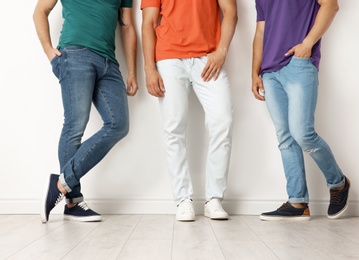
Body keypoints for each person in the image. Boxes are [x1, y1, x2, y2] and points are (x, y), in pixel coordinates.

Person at [33, 0, 138, 223]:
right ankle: (73, 201)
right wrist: (50, 53)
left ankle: (60, 184)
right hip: (75, 53)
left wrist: (132, 72)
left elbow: (127, 25)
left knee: (118, 124)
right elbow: (40, 11)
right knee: (75, 125)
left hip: (109, 61)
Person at [252, 0, 350, 220]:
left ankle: (338, 184)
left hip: (298, 64)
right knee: (285, 138)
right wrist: (254, 72)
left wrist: (307, 44)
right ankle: (297, 203)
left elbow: (331, 5)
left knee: (303, 133)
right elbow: (260, 31)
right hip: (269, 72)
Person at [141, 0, 237, 221]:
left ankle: (214, 199)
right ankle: (183, 200)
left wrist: (221, 51)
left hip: (208, 57)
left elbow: (230, 12)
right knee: (173, 128)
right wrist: (149, 68)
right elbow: (148, 22)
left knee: (222, 121)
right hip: (169, 58)